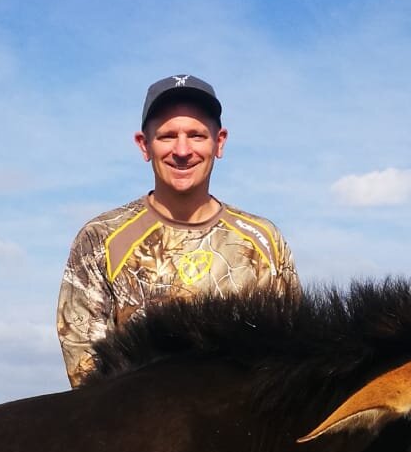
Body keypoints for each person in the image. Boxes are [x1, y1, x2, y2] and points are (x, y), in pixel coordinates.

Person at [57, 74, 299, 386]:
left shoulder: (265, 241)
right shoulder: (100, 239)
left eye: (197, 135)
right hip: (137, 428)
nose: (182, 150)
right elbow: (86, 374)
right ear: (144, 145)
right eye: (167, 136)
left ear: (219, 142)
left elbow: (290, 361)